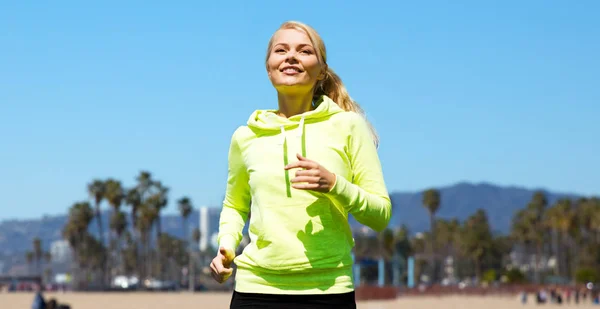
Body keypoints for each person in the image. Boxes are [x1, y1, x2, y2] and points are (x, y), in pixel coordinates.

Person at [210, 20, 392, 309]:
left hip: (329, 291)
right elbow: (235, 205)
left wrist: (335, 185)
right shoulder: (245, 136)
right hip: (255, 290)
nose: (291, 56)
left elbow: (380, 215)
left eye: (304, 50)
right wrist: (226, 247)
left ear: (321, 71)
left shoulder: (348, 126)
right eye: (281, 50)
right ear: (268, 66)